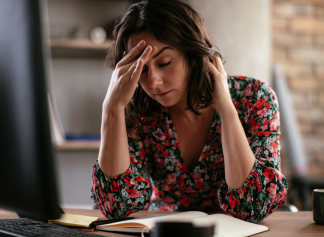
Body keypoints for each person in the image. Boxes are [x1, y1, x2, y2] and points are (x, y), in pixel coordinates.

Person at [91, 0, 288, 223]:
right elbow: (116, 206)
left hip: (239, 235)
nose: (153, 81)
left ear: (194, 54)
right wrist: (111, 109)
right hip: (163, 232)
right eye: (142, 69)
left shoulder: (255, 98)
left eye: (164, 62)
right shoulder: (136, 108)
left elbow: (252, 206)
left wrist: (226, 109)